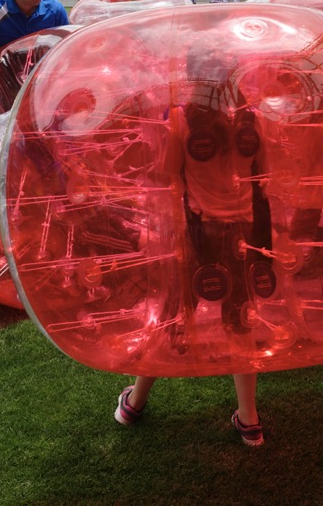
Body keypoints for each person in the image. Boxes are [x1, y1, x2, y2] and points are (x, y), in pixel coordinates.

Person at [114, 92, 268, 447]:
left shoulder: (182, 118)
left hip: (198, 229)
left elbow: (166, 174)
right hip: (242, 232)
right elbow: (262, 171)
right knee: (239, 321)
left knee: (174, 316)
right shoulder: (251, 116)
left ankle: (133, 405)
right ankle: (249, 420)